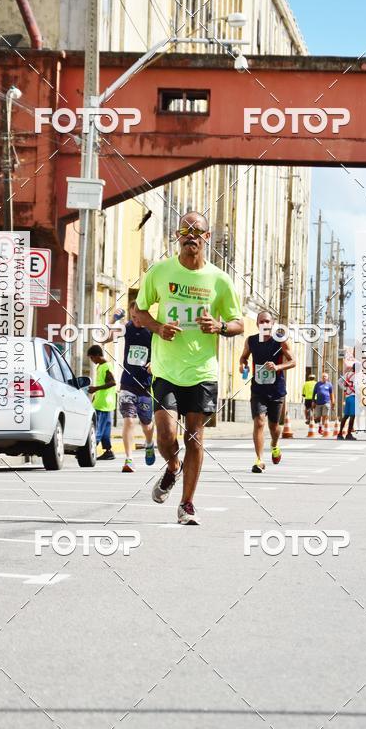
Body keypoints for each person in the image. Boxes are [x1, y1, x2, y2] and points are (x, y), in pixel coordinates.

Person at [136, 212, 243, 525]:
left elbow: (239, 323)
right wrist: (158, 327)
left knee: (194, 437)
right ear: (176, 235)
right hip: (167, 369)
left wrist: (220, 325)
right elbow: (139, 310)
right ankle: (172, 468)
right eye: (185, 230)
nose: (191, 235)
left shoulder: (219, 280)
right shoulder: (159, 272)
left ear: (207, 238)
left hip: (202, 371)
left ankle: (187, 504)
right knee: (166, 436)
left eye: (198, 231)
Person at [239, 310, 296, 473]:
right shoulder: (251, 341)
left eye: (267, 321)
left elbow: (293, 361)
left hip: (277, 390)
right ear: (257, 324)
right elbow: (244, 357)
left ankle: (274, 445)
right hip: (258, 388)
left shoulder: (280, 340)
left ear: (272, 324)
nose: (264, 324)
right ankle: (259, 460)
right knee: (259, 422)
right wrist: (243, 364)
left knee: (273, 426)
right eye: (261, 321)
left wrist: (278, 367)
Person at [116, 301, 156, 472]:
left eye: (139, 317)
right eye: (133, 317)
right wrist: (113, 319)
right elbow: (105, 336)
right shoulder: (127, 328)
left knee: (146, 424)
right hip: (127, 383)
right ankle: (129, 459)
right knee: (129, 420)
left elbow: (163, 352)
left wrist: (155, 362)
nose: (136, 320)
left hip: (145, 386)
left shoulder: (152, 332)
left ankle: (149, 443)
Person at [87, 345, 117, 460]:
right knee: (105, 429)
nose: (92, 360)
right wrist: (95, 396)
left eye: (92, 358)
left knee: (97, 428)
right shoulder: (101, 366)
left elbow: (113, 382)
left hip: (103, 404)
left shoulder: (106, 366)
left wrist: (96, 388)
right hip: (104, 402)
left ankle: (90, 449)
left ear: (98, 356)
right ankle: (108, 451)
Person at [337, 365, 356, 440]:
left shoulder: (347, 374)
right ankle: (348, 434)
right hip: (354, 397)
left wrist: (345, 388)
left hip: (348, 397)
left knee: (346, 416)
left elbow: (339, 382)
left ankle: (340, 434)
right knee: (352, 416)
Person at [313, 372, 334, 436]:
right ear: (321, 377)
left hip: (326, 403)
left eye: (325, 376)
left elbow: (331, 394)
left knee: (324, 416)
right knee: (318, 416)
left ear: (327, 378)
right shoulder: (318, 384)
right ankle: (320, 426)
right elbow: (314, 393)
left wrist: (333, 402)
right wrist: (313, 401)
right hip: (318, 403)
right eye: (323, 376)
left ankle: (322, 428)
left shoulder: (329, 385)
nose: (324, 377)